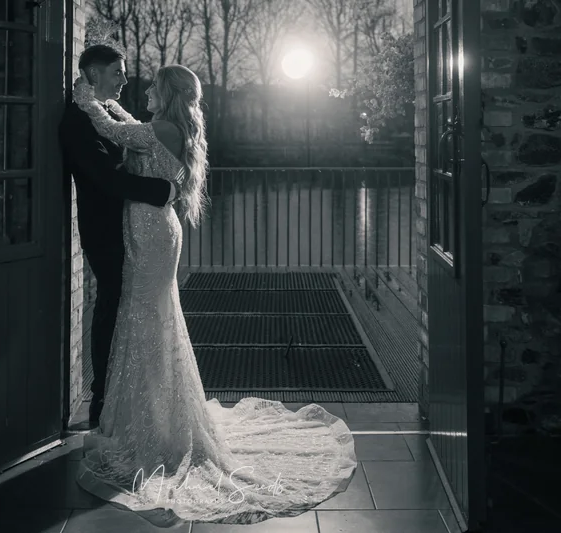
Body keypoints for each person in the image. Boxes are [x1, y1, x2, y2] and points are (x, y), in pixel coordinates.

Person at [70, 59, 358, 526]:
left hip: (151, 234)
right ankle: (154, 416)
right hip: (155, 228)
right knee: (152, 316)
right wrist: (112, 107)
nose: (142, 92)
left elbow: (115, 131)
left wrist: (87, 97)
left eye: (151, 88)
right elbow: (132, 126)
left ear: (166, 93)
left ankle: (152, 426)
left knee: (143, 314)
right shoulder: (169, 128)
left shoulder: (159, 130)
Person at [59, 45, 177, 431]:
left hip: (135, 228)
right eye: (117, 73)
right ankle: (104, 404)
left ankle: (130, 400)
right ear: (93, 75)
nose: (125, 81)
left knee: (131, 309)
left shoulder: (106, 113)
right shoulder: (77, 120)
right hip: (106, 231)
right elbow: (107, 179)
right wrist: (164, 192)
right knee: (112, 308)